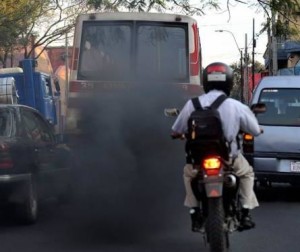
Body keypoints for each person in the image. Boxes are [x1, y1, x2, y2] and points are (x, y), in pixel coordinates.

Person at [171, 62, 263, 232]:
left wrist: (177, 135)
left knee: (188, 175)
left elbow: (176, 129)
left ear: (205, 82)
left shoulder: (193, 104)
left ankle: (194, 212)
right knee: (247, 173)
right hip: (228, 158)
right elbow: (255, 130)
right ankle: (245, 212)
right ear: (229, 82)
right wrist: (257, 129)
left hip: (198, 160)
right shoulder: (235, 105)